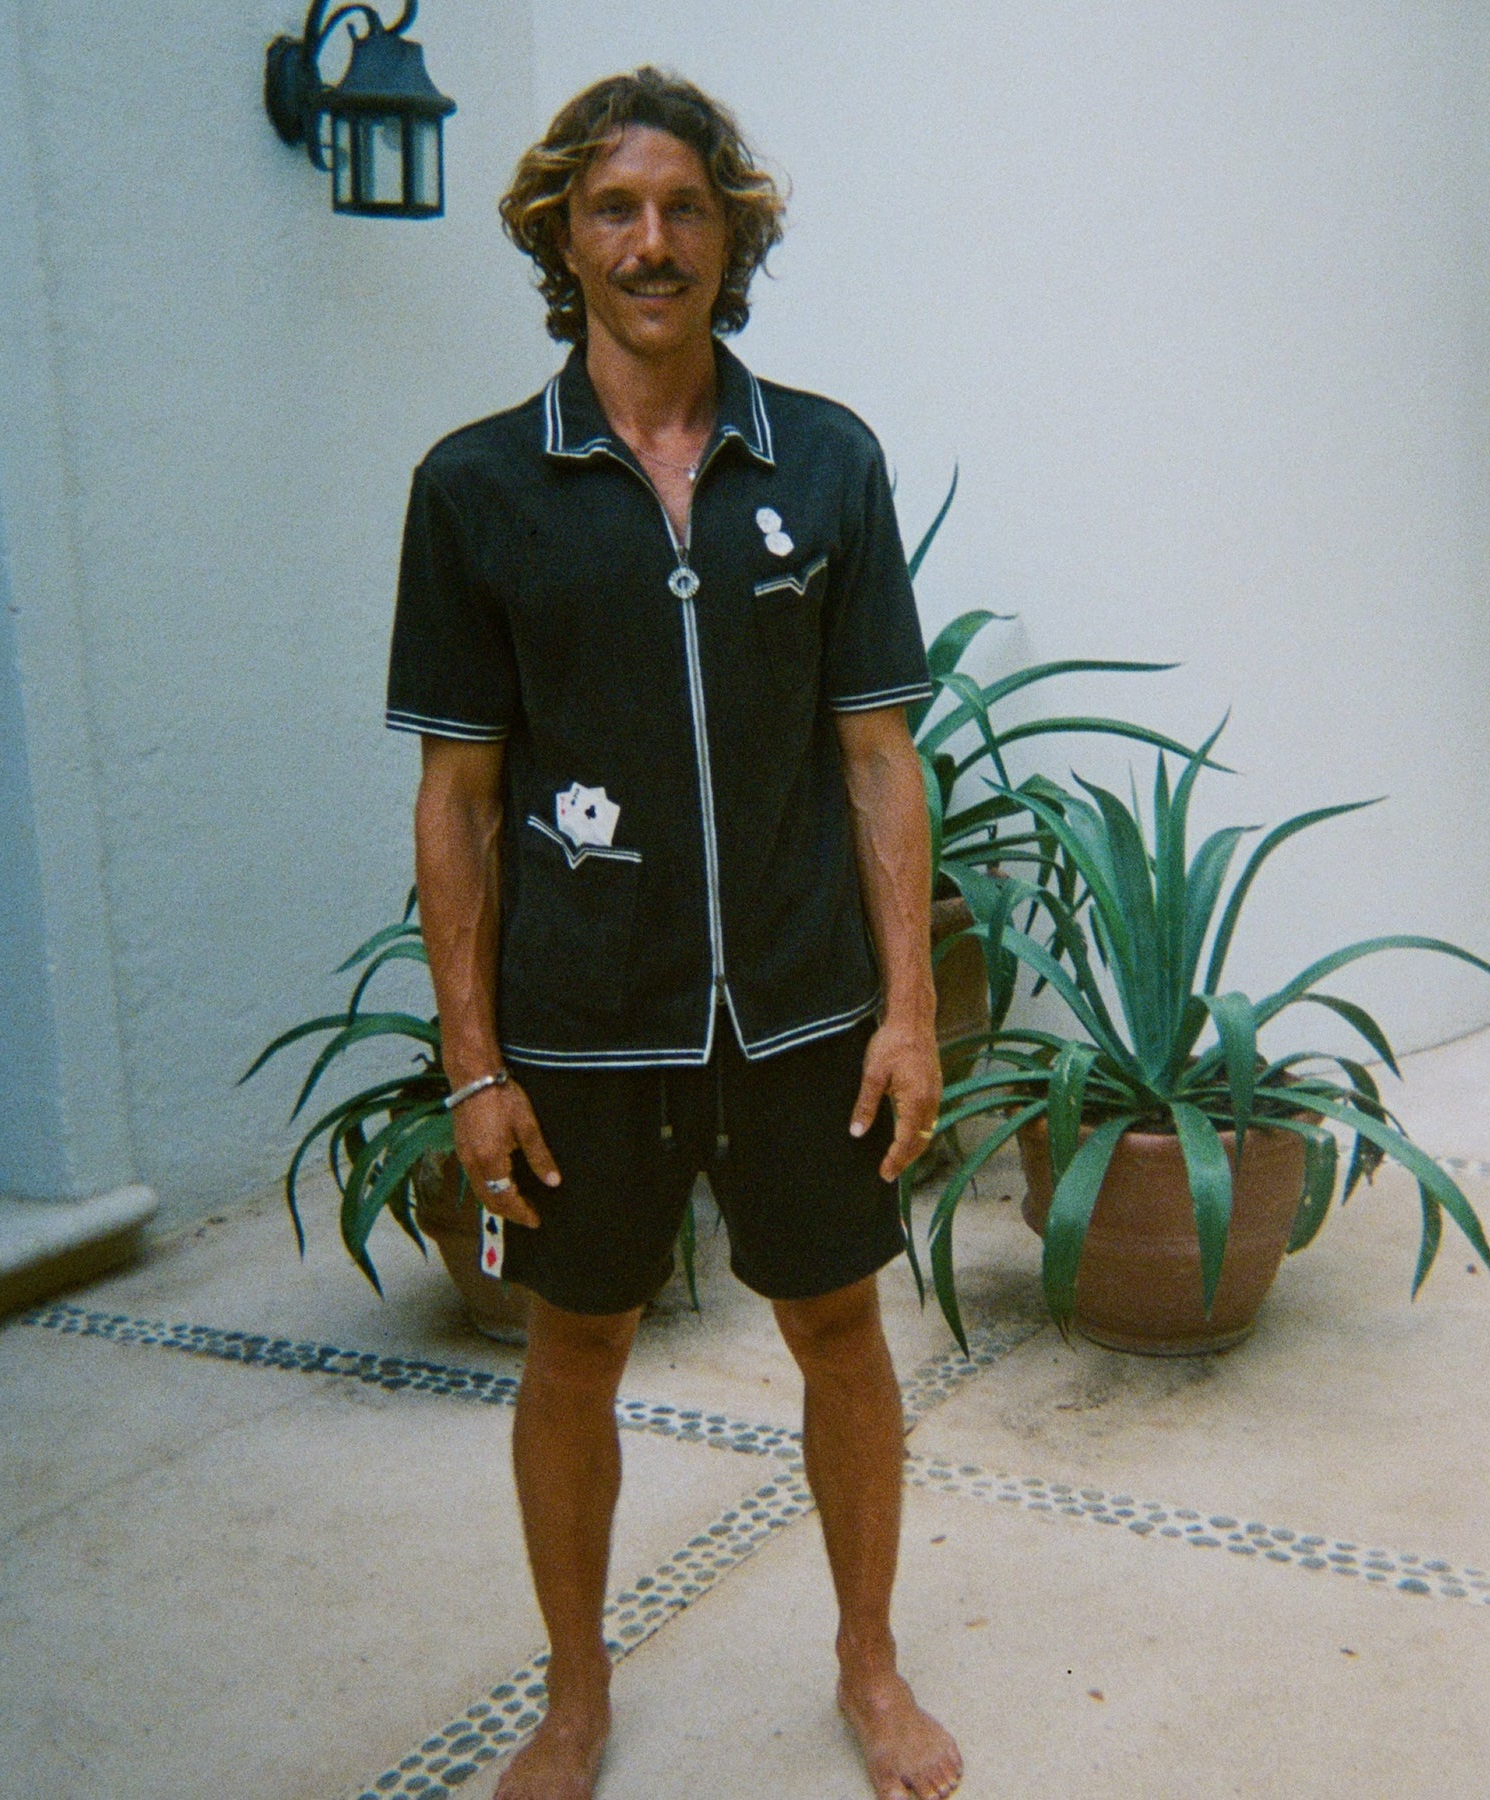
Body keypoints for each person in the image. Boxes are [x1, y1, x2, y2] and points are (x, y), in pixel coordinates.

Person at [385, 67, 964, 1800]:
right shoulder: (480, 489)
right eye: (617, 209)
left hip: (798, 1010)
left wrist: (911, 1010)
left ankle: (869, 1664)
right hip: (585, 1020)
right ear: (562, 239)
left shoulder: (827, 462)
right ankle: (575, 1696)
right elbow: (461, 800)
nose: (654, 241)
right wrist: (473, 1061)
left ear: (735, 234)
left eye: (687, 207)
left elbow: (879, 761)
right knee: (575, 1349)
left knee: (842, 1333)